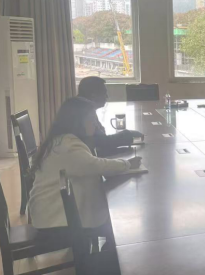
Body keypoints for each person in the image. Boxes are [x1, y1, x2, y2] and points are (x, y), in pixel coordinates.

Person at [28, 97, 142, 246]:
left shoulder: (62, 140)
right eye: (91, 119)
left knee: (111, 220)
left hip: (48, 213)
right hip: (53, 219)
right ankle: (109, 259)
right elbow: (96, 165)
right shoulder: (68, 146)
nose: (95, 123)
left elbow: (91, 164)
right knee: (115, 224)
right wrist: (127, 164)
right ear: (78, 122)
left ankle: (107, 256)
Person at [77, 76, 143, 157]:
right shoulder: (84, 112)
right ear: (93, 95)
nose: (107, 97)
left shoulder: (81, 106)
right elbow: (102, 142)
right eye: (104, 93)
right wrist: (128, 134)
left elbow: (101, 140)